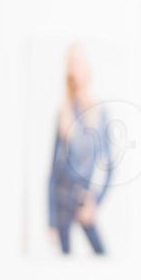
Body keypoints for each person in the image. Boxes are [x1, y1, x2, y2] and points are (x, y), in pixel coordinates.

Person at [47, 44, 112, 257]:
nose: (77, 68)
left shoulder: (100, 112)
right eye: (72, 64)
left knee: (102, 256)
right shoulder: (63, 112)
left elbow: (109, 166)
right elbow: (52, 173)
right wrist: (51, 222)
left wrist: (95, 201)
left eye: (80, 62)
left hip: (84, 199)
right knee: (65, 263)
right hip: (61, 201)